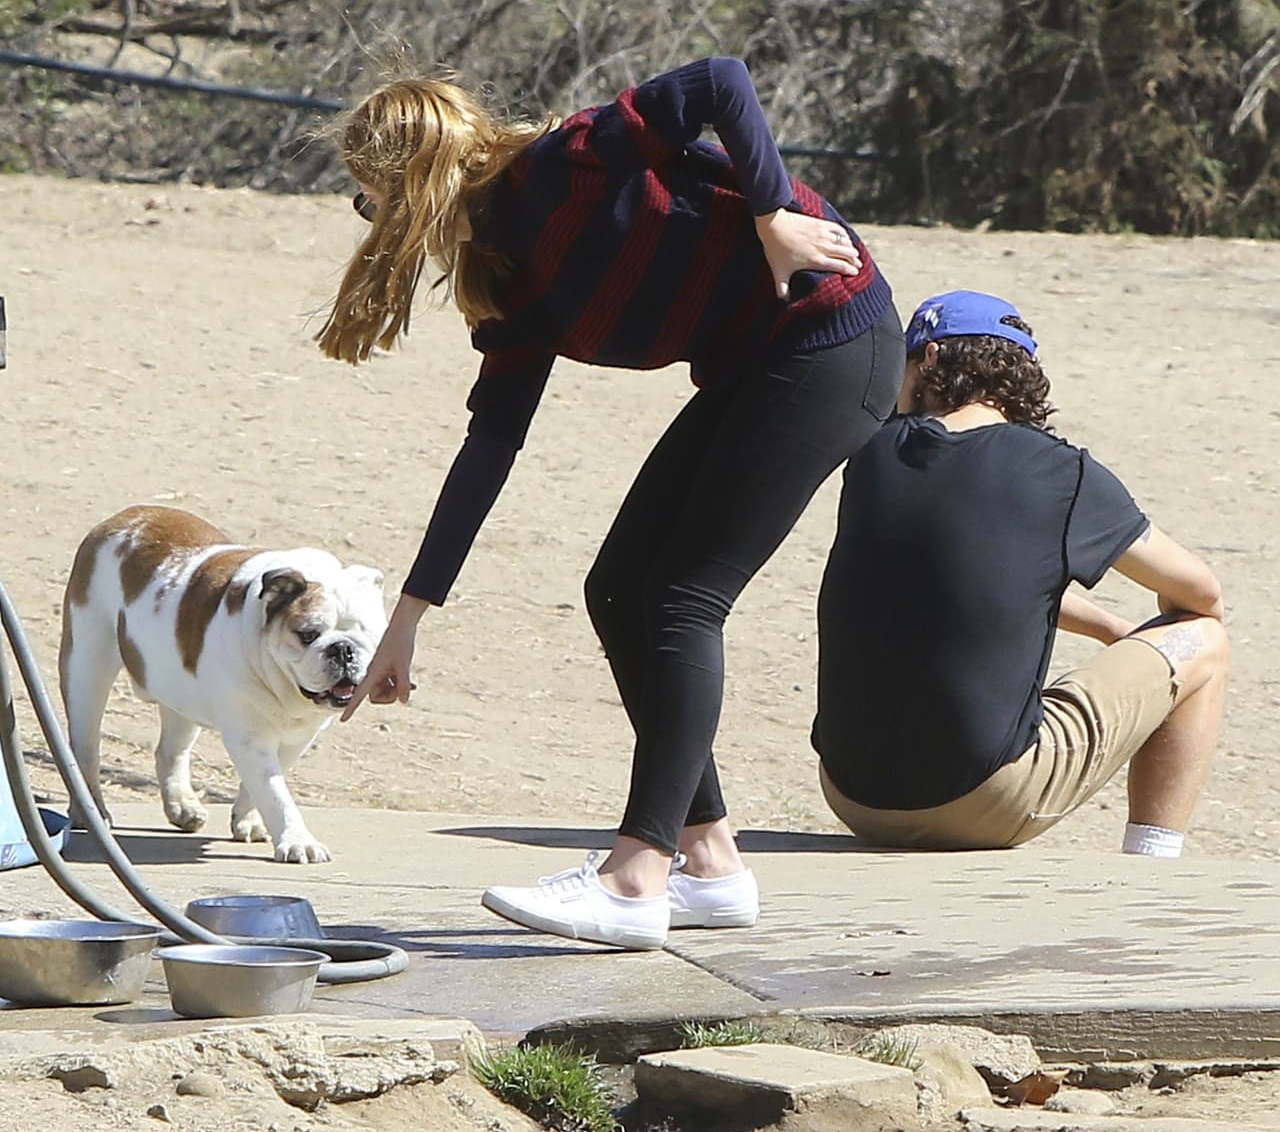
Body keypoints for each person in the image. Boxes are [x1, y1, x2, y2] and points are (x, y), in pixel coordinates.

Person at [317, 57, 904, 948]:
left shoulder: (565, 163)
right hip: (759, 366)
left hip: (832, 343)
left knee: (680, 598)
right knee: (617, 587)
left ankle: (635, 877)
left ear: (414, 184)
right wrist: (408, 615)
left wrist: (772, 212)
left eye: (373, 198)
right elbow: (491, 445)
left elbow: (721, 82)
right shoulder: (505, 280)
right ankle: (709, 859)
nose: (372, 221)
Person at [812, 290, 1227, 857]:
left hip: (852, 796)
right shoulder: (1058, 471)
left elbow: (961, 579)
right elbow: (1202, 592)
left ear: (928, 359)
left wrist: (1108, 627)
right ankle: (1151, 866)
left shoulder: (873, 452)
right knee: (1206, 639)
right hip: (984, 803)